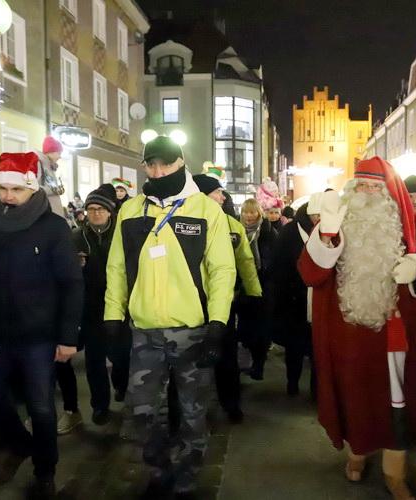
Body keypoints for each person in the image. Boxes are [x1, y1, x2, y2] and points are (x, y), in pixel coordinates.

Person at [298, 156, 416, 499]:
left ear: (389, 193)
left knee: (397, 405)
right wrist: (327, 236)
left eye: (374, 187)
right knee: (354, 398)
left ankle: (395, 473)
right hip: (348, 335)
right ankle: (357, 455)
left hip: (395, 335)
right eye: (360, 185)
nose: (366, 192)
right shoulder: (337, 220)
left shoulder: (413, 226)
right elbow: (309, 272)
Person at [104, 136, 236, 497]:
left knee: (193, 412)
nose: (159, 171)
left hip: (192, 331)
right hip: (145, 332)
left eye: (166, 163)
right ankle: (159, 471)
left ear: (181, 162)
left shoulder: (205, 210)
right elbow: (117, 268)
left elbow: (222, 271)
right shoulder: (131, 211)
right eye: (152, 164)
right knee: (144, 411)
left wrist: (217, 325)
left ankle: (188, 475)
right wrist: (112, 317)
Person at [0, 152, 83, 497]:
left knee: (41, 407)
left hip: (38, 337)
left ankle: (45, 469)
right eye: (2, 189)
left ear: (32, 188)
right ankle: (21, 443)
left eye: (16, 189)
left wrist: (68, 336)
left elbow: (72, 283)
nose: (8, 196)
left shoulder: (52, 227)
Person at [192, 173, 262, 423]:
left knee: (227, 356)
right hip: (190, 303)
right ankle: (191, 411)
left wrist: (254, 292)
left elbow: (246, 261)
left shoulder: (233, 225)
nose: (223, 197)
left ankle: (231, 403)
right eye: (217, 193)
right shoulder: (184, 223)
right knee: (190, 360)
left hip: (223, 302)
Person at [70, 183, 130, 426]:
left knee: (121, 355)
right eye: (91, 209)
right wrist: (76, 266)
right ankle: (100, 405)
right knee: (94, 360)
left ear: (110, 211)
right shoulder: (77, 237)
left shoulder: (121, 235)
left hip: (118, 305)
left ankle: (121, 384)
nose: (95, 213)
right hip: (91, 307)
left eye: (100, 209)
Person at [272, 192, 322, 396]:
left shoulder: (329, 231)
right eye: (317, 215)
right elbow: (278, 267)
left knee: (318, 348)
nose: (319, 219)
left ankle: (316, 390)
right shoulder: (290, 232)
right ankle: (292, 382)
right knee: (294, 346)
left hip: (318, 298)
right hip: (293, 299)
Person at [238, 198, 277, 380]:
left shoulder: (268, 232)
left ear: (259, 213)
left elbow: (274, 258)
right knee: (246, 327)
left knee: (261, 327)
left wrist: (265, 272)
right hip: (243, 287)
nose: (249, 215)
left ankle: (259, 365)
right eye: (246, 212)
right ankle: (250, 361)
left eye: (252, 212)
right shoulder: (236, 231)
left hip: (263, 286)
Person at [35, 136, 67, 219]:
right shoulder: (38, 164)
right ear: (51, 152)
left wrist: (56, 189)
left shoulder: (49, 166)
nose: (60, 157)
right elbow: (34, 188)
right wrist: (54, 190)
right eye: (59, 153)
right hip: (45, 213)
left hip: (51, 213)